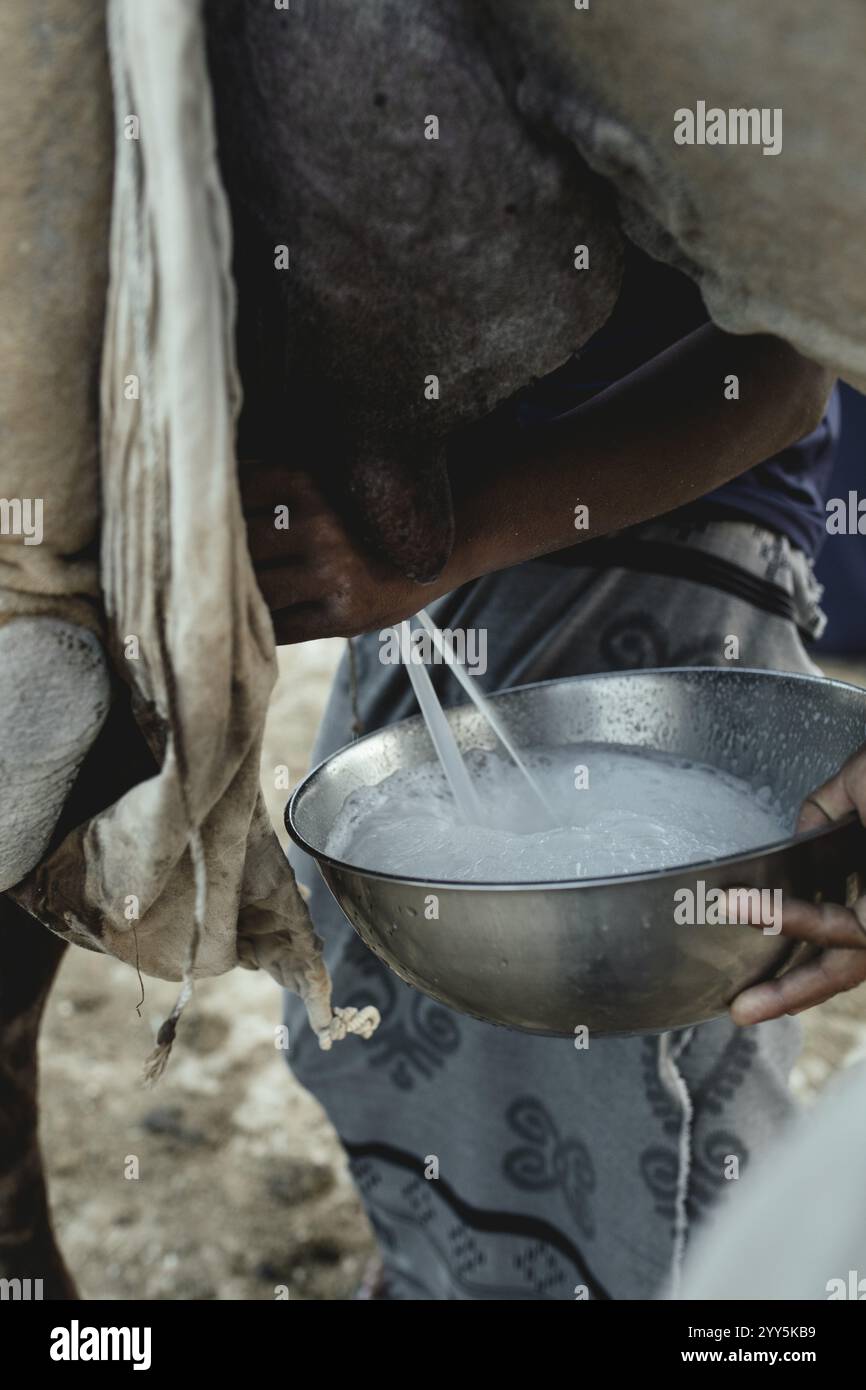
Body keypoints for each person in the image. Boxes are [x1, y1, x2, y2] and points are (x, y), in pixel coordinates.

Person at [243, 242, 860, 1300]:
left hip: (667, 520)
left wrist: (439, 545)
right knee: (368, 992)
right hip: (409, 550)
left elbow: (785, 374)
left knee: (625, 1024)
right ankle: (444, 1275)